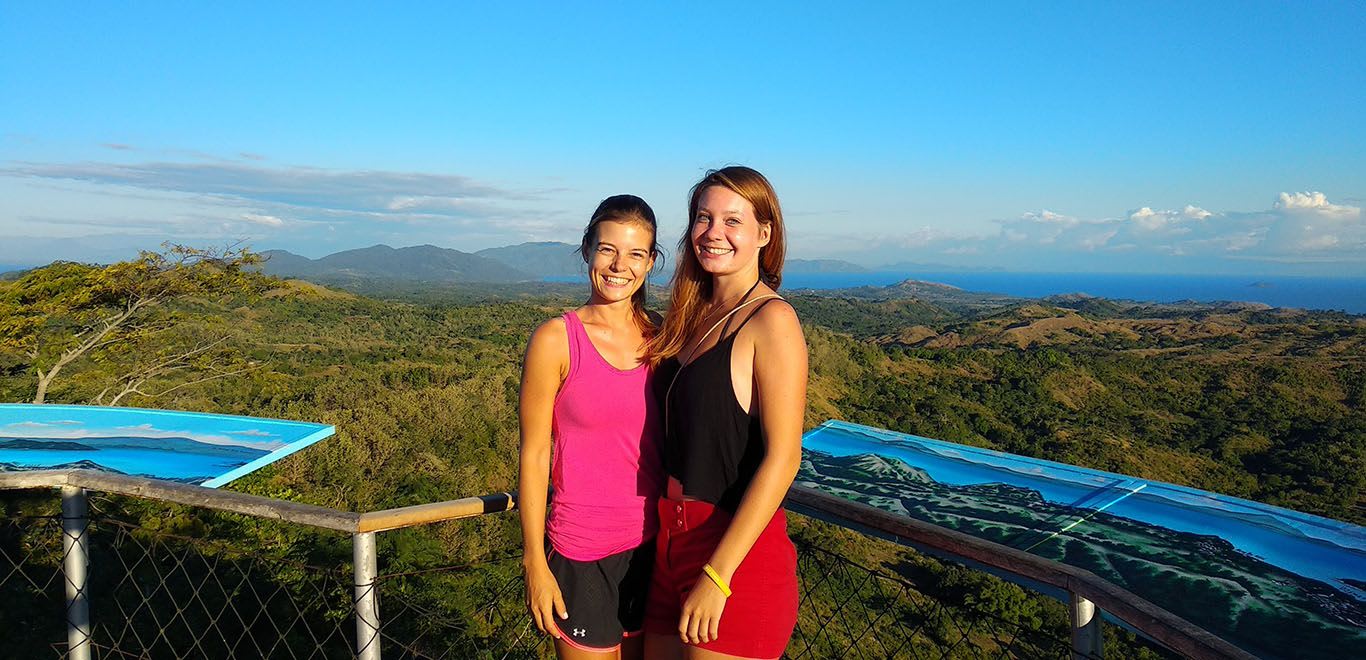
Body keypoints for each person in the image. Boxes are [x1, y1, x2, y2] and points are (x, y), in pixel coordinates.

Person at [643, 166, 807, 660]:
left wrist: (718, 574)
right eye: (703, 218)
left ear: (764, 233)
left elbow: (784, 458)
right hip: (667, 543)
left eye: (731, 220)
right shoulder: (689, 319)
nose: (713, 233)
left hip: (733, 555)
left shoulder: (770, 321)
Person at [519, 194, 666, 659]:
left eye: (636, 253)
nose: (619, 265)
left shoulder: (663, 338)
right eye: (607, 249)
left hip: (655, 545)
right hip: (581, 548)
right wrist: (534, 562)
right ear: (586, 250)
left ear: (650, 262)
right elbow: (534, 453)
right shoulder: (556, 340)